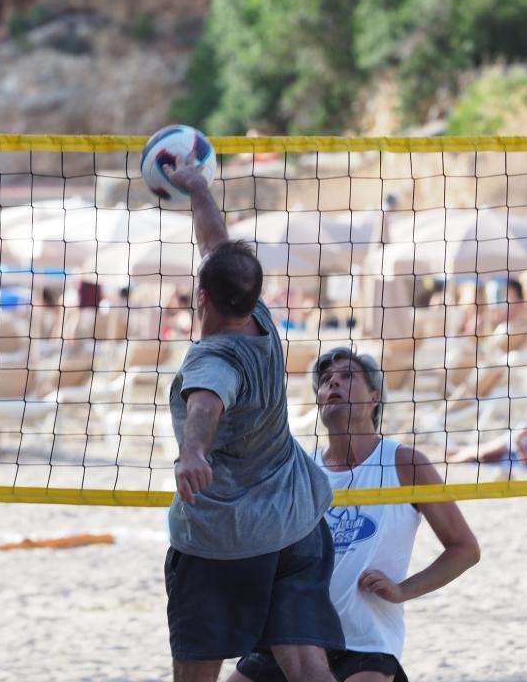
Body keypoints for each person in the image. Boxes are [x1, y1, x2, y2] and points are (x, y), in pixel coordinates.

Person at [165, 159, 341, 682]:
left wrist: (193, 453)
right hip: (297, 519)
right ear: (252, 292)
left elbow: (206, 404)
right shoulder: (262, 319)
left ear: (201, 297)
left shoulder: (212, 358)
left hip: (228, 536)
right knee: (307, 666)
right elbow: (218, 245)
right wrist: (198, 189)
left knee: (196, 668)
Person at [231, 348, 480, 682]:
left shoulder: (405, 464)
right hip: (296, 633)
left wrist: (403, 590)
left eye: (347, 377)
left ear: (374, 397)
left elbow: (464, 549)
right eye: (326, 381)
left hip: (366, 640)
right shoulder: (303, 468)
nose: (333, 384)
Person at [447, 399, 527, 468]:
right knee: (482, 454)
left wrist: (522, 450)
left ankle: (454, 454)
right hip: (522, 435)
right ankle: (448, 460)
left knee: (484, 458)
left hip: (519, 448)